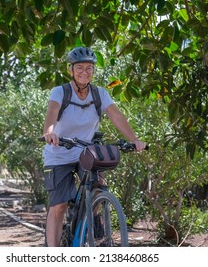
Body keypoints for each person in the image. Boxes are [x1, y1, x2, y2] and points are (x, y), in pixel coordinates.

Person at [42, 46, 146, 247]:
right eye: (79, 68)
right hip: (59, 153)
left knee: (98, 190)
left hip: (86, 153)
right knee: (59, 205)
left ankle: (84, 227)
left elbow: (116, 115)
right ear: (70, 70)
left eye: (89, 68)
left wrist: (134, 139)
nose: (84, 72)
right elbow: (52, 112)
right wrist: (49, 132)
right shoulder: (60, 92)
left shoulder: (100, 94)